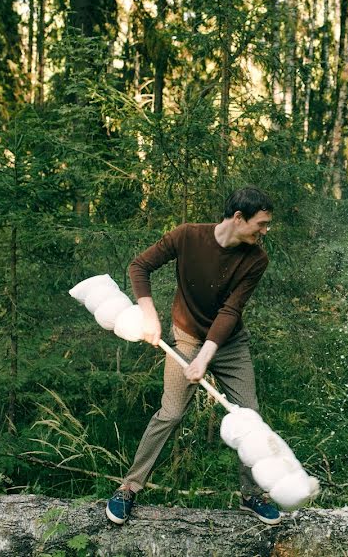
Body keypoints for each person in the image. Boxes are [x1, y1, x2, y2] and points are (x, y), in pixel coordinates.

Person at [105, 187, 282, 526]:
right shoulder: (187, 236)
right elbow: (140, 266)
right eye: (261, 224)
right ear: (238, 218)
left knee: (250, 418)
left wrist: (206, 357)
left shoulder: (256, 259)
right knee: (170, 414)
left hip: (229, 344)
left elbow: (231, 311)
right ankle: (129, 487)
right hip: (185, 337)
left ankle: (251, 495)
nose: (265, 231)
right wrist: (149, 314)